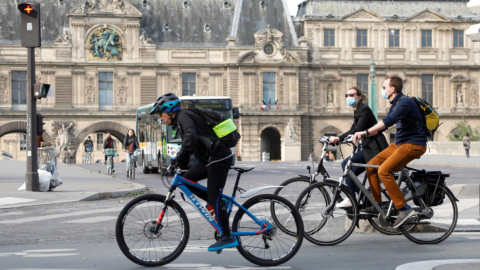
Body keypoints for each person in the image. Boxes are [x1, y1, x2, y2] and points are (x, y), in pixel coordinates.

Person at [150, 93, 236, 252]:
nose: (160, 118)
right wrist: (178, 161)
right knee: (186, 181)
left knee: (213, 195)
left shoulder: (183, 116)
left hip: (218, 156)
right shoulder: (181, 119)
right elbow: (193, 141)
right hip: (208, 159)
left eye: (160, 114)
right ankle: (220, 204)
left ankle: (227, 236)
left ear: (169, 110)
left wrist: (181, 158)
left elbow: (191, 135)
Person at [353, 75, 427, 228]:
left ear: (392, 89)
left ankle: (404, 208)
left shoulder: (405, 102)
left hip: (413, 144)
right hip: (400, 144)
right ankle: (377, 204)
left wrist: (365, 132)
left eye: (384, 87)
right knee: (371, 165)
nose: (382, 90)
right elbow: (383, 127)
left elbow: (388, 121)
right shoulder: (395, 104)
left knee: (383, 171)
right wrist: (357, 134)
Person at [329, 87, 388, 208]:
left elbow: (357, 130)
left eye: (351, 95)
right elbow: (352, 130)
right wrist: (339, 139)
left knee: (346, 165)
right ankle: (366, 199)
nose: (348, 97)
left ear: (359, 97)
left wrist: (339, 139)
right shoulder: (357, 110)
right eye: (347, 95)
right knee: (350, 174)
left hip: (375, 148)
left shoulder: (364, 110)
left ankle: (352, 198)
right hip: (368, 147)